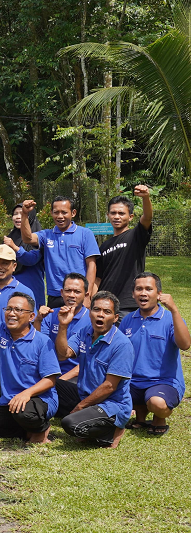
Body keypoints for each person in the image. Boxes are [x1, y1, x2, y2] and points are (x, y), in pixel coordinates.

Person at [0, 288, 60, 444]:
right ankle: (26, 431)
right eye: (8, 309)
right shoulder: (0, 331)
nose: (11, 313)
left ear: (31, 316)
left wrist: (26, 394)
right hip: (9, 400)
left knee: (24, 413)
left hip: (38, 399)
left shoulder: (42, 341)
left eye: (18, 310)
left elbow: (50, 380)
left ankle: (42, 428)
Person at [51, 291, 134, 447]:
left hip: (110, 404)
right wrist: (63, 325)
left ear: (116, 318)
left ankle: (114, 428)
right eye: (97, 310)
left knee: (70, 424)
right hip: (85, 395)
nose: (100, 315)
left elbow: (109, 386)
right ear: (90, 312)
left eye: (107, 312)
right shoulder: (85, 332)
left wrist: (80, 407)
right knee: (50, 383)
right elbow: (63, 355)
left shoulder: (122, 345)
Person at [120, 272, 189, 436]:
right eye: (139, 289)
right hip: (133, 381)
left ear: (159, 294)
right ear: (133, 294)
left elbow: (185, 345)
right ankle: (141, 416)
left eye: (148, 289)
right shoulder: (128, 320)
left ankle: (159, 417)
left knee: (157, 403)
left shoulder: (170, 318)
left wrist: (174, 309)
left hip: (163, 382)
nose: (143, 293)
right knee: (108, 399)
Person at [18, 197, 100, 307]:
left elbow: (91, 265)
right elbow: (27, 238)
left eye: (64, 212)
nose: (60, 216)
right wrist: (24, 214)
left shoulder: (85, 234)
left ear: (73, 213)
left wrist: (87, 295)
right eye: (56, 212)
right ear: (51, 213)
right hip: (55, 295)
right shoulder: (46, 235)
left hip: (78, 294)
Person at [98, 185, 153, 316]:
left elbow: (147, 217)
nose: (116, 216)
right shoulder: (104, 246)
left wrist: (145, 197)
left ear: (131, 217)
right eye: (113, 213)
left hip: (127, 305)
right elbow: (98, 278)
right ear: (108, 215)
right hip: (105, 306)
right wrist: (91, 301)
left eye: (121, 213)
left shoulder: (136, 236)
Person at [36, 273, 90, 376]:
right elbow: (39, 346)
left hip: (75, 376)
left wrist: (60, 381)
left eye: (77, 292)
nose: (71, 295)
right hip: (48, 370)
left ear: (86, 295)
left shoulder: (91, 321)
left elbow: (86, 362)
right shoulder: (50, 315)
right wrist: (38, 320)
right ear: (62, 292)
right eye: (68, 291)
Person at [3, 204, 45, 306]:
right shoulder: (11, 237)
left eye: (22, 214)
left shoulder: (38, 237)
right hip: (11, 288)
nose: (18, 217)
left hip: (32, 287)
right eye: (15, 214)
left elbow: (31, 259)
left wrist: (15, 247)